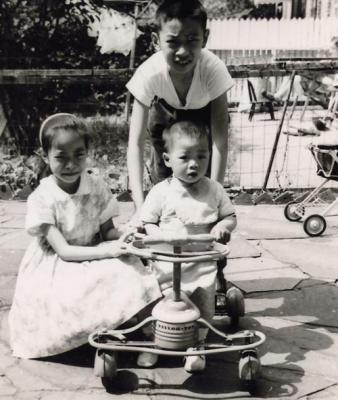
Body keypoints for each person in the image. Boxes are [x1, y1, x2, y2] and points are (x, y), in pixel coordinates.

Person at [8, 113, 161, 359]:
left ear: (88, 152)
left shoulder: (96, 186)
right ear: (46, 156)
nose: (70, 165)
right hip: (57, 264)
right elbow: (65, 252)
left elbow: (107, 231)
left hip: (94, 249)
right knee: (71, 290)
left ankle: (148, 334)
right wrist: (108, 251)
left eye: (79, 155)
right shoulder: (43, 197)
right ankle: (90, 332)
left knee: (131, 265)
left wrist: (127, 234)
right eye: (60, 157)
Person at [138, 120, 237, 371]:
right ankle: (154, 342)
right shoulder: (161, 192)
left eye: (201, 156)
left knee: (204, 302)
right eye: (185, 157)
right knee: (157, 301)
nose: (194, 164)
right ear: (167, 159)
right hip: (167, 262)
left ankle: (198, 344)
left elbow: (229, 215)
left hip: (202, 261)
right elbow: (147, 222)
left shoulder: (213, 189)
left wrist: (223, 226)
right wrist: (161, 235)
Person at [126, 0, 234, 217]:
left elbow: (220, 141)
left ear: (205, 38)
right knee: (166, 182)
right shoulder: (149, 72)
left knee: (201, 178)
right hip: (165, 115)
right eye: (173, 42)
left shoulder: (213, 70)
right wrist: (139, 204)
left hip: (204, 115)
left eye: (192, 40)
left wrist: (214, 202)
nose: (183, 51)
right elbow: (135, 144)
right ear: (157, 40)